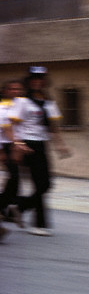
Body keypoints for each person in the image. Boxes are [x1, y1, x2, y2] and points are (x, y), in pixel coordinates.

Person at [9, 67, 72, 236]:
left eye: (40, 78)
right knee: (39, 184)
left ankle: (20, 208)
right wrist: (17, 144)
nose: (37, 81)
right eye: (34, 78)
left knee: (46, 184)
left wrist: (60, 145)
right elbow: (12, 125)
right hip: (27, 145)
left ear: (44, 81)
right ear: (29, 81)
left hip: (41, 145)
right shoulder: (23, 101)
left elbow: (53, 127)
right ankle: (40, 224)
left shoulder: (48, 102)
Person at [1, 80, 27, 230]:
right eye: (11, 89)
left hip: (18, 145)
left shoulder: (22, 106)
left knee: (15, 178)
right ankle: (9, 207)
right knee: (14, 176)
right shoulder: (2, 108)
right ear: (5, 91)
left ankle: (9, 208)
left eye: (18, 89)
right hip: (6, 145)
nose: (15, 91)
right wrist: (2, 151)